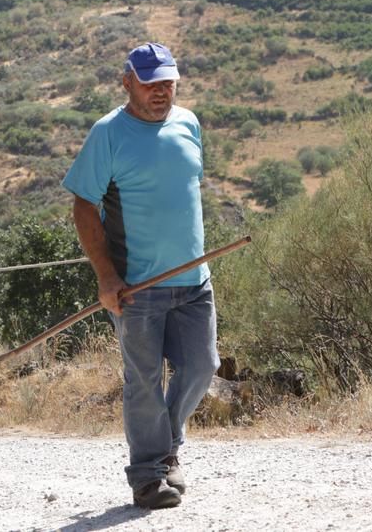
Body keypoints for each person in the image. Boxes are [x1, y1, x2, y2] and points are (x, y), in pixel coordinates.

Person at [62, 42, 219, 510]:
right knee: (144, 381)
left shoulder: (189, 123)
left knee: (203, 366)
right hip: (136, 287)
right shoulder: (108, 133)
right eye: (151, 84)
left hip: (194, 280)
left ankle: (167, 446)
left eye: (168, 82)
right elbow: (83, 206)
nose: (161, 92)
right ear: (127, 81)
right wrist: (106, 278)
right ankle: (148, 476)